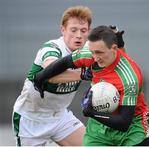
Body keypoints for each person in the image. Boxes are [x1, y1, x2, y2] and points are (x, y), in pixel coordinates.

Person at [33, 25, 149, 146]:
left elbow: (124, 123)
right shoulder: (90, 55)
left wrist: (92, 113)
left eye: (99, 52)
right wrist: (40, 78)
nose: (95, 57)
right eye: (92, 52)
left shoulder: (129, 77)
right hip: (99, 123)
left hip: (132, 125)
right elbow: (65, 62)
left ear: (114, 49)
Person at [12, 5, 92, 146]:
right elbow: (52, 73)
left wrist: (117, 43)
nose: (78, 35)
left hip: (60, 117)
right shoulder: (52, 47)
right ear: (63, 30)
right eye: (73, 30)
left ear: (88, 32)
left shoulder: (89, 51)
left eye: (83, 30)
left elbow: (115, 57)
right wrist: (83, 74)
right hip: (32, 119)